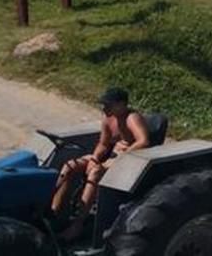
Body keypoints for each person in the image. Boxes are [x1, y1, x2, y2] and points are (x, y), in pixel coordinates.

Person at [51, 88, 150, 239]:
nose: (104, 108)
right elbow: (103, 144)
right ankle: (54, 213)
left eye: (108, 105)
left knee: (95, 172)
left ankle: (77, 225)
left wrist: (119, 158)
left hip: (128, 159)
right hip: (111, 157)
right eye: (103, 104)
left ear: (121, 104)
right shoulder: (108, 118)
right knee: (70, 166)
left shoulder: (132, 118)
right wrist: (94, 158)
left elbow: (143, 141)